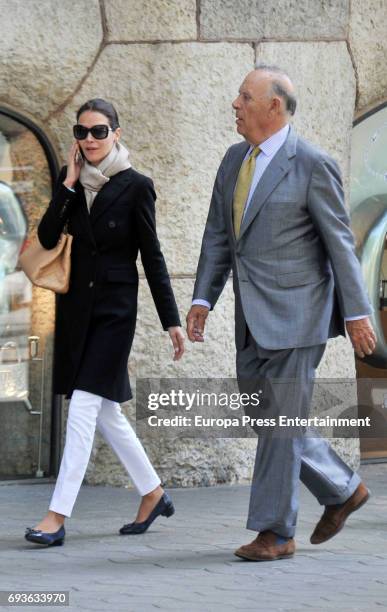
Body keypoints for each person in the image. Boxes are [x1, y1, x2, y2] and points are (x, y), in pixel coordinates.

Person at [186, 65, 377, 561]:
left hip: (299, 316)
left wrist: (357, 314)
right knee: (265, 413)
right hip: (251, 317)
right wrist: (203, 298)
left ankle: (275, 532)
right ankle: (341, 488)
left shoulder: (312, 162)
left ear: (274, 106)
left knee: (282, 420)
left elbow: (340, 244)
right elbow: (218, 235)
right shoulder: (233, 160)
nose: (235, 104)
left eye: (244, 96)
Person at [25, 98, 184, 547]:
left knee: (82, 409)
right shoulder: (70, 181)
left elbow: (152, 257)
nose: (90, 140)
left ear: (116, 133)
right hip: (77, 311)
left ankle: (56, 517)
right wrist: (70, 185)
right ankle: (153, 493)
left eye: (99, 131)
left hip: (115, 313)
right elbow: (47, 237)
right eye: (82, 132)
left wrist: (171, 319)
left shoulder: (137, 186)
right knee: (107, 414)